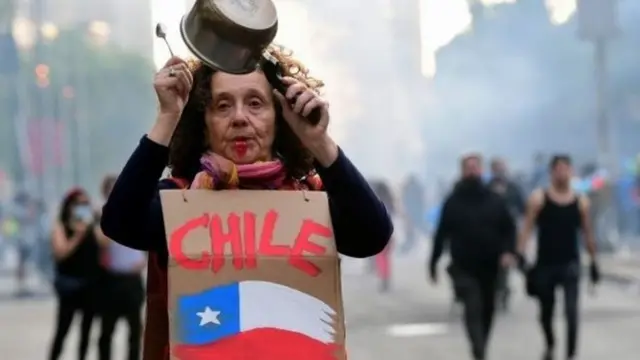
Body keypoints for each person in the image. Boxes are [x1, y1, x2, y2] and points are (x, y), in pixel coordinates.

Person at [100, 47, 393, 359]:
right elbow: (120, 222)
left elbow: (372, 235)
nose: (239, 118)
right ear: (203, 122)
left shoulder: (310, 198)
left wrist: (318, 142)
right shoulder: (179, 200)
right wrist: (167, 117)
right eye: (222, 106)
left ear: (280, 117)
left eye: (255, 103)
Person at [429, 154, 516, 360]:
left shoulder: (495, 200)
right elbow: (441, 234)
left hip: (490, 267)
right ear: (462, 171)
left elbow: (509, 229)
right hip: (463, 267)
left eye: (475, 167)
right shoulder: (453, 202)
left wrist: (508, 251)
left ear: (481, 170)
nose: (472, 171)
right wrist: (433, 262)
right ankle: (478, 350)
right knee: (472, 306)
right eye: (468, 167)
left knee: (488, 309)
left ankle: (482, 346)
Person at [517, 155, 600, 360]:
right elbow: (526, 228)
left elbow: (587, 233)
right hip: (545, 263)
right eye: (559, 169)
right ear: (552, 172)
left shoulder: (581, 201)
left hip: (570, 263)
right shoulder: (539, 198)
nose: (563, 173)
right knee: (546, 311)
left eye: (566, 169)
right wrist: (521, 253)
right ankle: (550, 343)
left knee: (572, 313)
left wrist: (593, 261)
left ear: (571, 172)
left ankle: (571, 354)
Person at [49, 188, 105, 360]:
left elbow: (105, 243)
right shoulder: (61, 226)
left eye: (85, 204)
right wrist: (77, 235)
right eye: (77, 204)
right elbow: (61, 251)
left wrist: (95, 221)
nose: (81, 207)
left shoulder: (92, 226)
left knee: (86, 331)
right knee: (63, 329)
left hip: (91, 286)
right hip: (69, 287)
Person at [98, 175, 146, 360]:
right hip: (112, 279)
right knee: (106, 329)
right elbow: (101, 240)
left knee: (135, 329)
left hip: (133, 279)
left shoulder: (135, 211)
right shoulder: (102, 215)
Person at [488, 157, 525, 312]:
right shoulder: (486, 188)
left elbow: (522, 207)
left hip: (508, 231)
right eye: (497, 168)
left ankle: (503, 290)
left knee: (505, 262)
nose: (500, 171)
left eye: (502, 168)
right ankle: (495, 290)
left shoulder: (513, 188)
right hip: (489, 231)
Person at [370, 180, 395, 292]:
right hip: (389, 234)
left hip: (378, 233)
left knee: (381, 257)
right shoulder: (389, 203)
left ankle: (383, 277)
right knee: (385, 258)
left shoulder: (376, 202)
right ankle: (385, 277)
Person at [400, 175, 426, 254]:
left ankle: (410, 246)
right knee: (417, 228)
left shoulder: (408, 189)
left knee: (411, 230)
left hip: (411, 212)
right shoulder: (417, 188)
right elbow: (421, 200)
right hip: (416, 211)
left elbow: (405, 200)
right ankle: (412, 245)